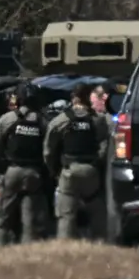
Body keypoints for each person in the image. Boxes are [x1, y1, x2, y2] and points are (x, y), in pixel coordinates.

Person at [45, 82, 111, 239]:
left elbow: (48, 151)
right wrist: (96, 164)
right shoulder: (98, 120)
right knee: (98, 215)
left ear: (73, 97)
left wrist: (55, 171)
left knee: (66, 217)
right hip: (91, 172)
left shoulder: (61, 120)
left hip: (68, 172)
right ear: (88, 97)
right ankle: (100, 247)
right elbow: (105, 145)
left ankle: (66, 252)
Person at [0, 82, 47, 245]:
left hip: (12, 172)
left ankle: (0, 253)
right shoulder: (43, 122)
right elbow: (48, 150)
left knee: (2, 221)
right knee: (30, 223)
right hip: (34, 175)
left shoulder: (8, 119)